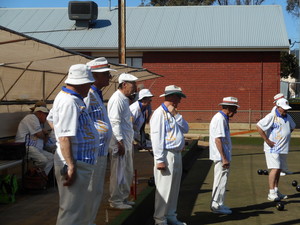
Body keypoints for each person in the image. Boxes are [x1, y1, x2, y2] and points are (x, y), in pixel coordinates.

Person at [49, 64, 100, 225]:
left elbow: (53, 121)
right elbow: (64, 137)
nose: (90, 86)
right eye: (88, 83)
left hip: (81, 161)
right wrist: (71, 166)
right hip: (76, 162)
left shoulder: (72, 99)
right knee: (71, 212)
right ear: (81, 83)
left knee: (77, 210)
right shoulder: (69, 101)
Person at [150, 85, 189, 225]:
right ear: (172, 96)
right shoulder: (159, 113)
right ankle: (160, 219)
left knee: (173, 188)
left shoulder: (173, 114)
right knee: (164, 188)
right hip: (166, 155)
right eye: (178, 97)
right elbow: (156, 137)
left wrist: (176, 115)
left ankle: (171, 215)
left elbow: (186, 128)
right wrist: (159, 159)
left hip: (176, 154)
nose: (179, 101)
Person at [85, 57, 116, 224]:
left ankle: (90, 221)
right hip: (92, 152)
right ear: (95, 76)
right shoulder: (88, 94)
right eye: (106, 74)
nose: (109, 78)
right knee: (90, 192)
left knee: (96, 191)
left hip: (100, 150)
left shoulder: (96, 93)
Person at [107, 72, 138, 210]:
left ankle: (123, 198)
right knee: (118, 172)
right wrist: (119, 142)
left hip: (126, 141)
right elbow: (115, 122)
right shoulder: (117, 99)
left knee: (127, 171)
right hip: (120, 142)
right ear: (124, 84)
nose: (135, 88)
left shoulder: (124, 99)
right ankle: (116, 200)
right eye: (133, 85)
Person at [257, 98, 296, 201]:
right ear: (278, 107)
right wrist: (267, 140)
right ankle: (271, 193)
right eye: (284, 109)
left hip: (283, 148)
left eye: (287, 109)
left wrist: (285, 136)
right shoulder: (271, 116)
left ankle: (276, 190)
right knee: (275, 169)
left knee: (278, 169)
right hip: (272, 148)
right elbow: (259, 126)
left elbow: (292, 127)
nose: (286, 111)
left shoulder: (287, 116)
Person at [209, 97, 239, 215]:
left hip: (223, 156)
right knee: (219, 180)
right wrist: (224, 158)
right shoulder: (220, 119)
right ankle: (216, 205)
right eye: (234, 109)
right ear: (228, 108)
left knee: (223, 180)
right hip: (221, 157)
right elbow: (218, 140)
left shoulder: (223, 118)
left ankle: (219, 203)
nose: (235, 112)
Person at [15, 106, 54, 176]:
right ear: (40, 113)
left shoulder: (39, 123)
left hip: (35, 148)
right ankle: (32, 173)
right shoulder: (32, 118)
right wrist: (44, 134)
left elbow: (44, 139)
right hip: (25, 146)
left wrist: (44, 134)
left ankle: (41, 178)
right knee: (43, 161)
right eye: (46, 115)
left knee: (51, 157)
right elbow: (40, 135)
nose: (47, 118)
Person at [272, 93, 293, 176]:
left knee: (284, 154)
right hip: (277, 138)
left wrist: (287, 133)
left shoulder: (286, 111)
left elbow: (292, 125)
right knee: (278, 155)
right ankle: (279, 171)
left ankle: (284, 169)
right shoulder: (275, 110)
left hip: (284, 138)